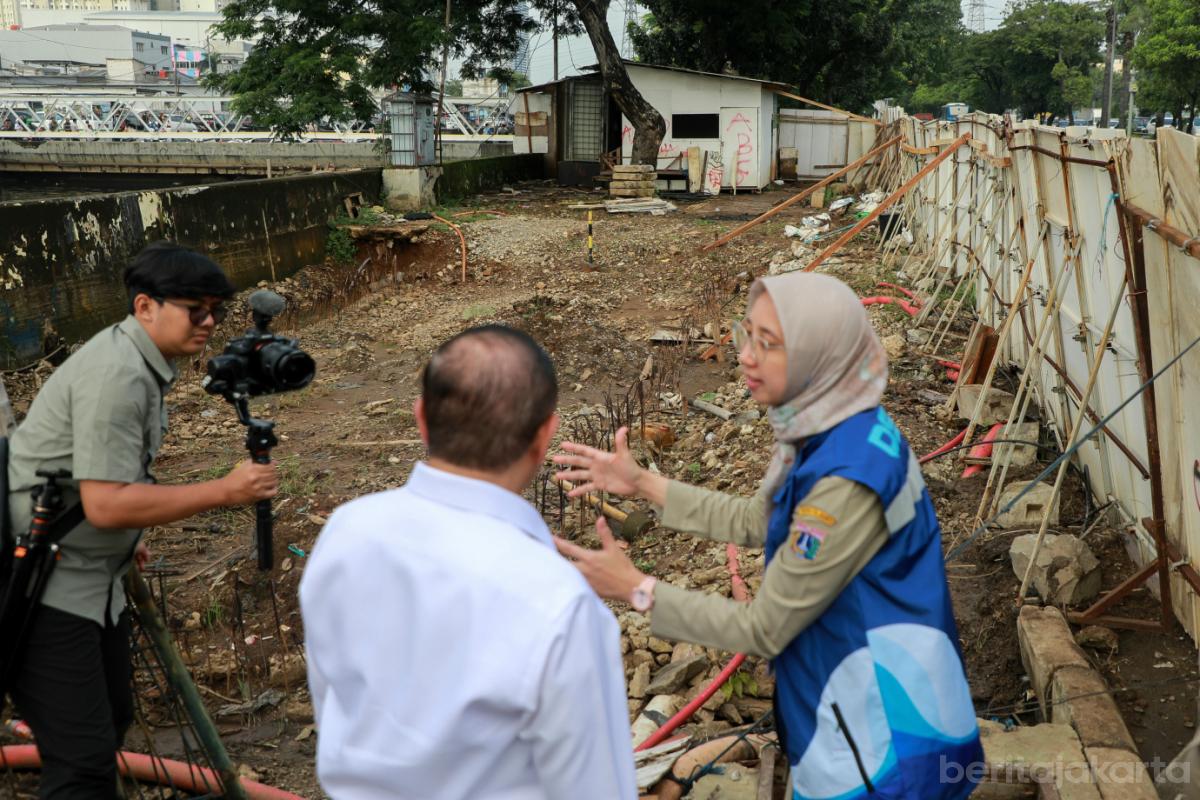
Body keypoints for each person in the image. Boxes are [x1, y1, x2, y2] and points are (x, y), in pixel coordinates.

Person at [554, 272, 983, 800]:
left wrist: (637, 589)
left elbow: (765, 629)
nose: (745, 356)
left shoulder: (845, 480)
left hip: (882, 745)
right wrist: (642, 482)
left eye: (769, 344)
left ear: (818, 354)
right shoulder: (831, 424)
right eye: (747, 335)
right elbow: (760, 521)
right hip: (848, 697)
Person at [300, 325, 636, 800]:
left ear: (421, 418)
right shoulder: (559, 602)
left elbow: (332, 701)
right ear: (544, 437)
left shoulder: (345, 532)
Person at [5, 241, 280, 799]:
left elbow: (105, 483)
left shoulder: (139, 361)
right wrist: (225, 490)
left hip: (92, 574)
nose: (208, 323)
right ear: (145, 306)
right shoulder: (119, 374)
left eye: (215, 311)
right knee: (83, 763)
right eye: (194, 310)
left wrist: (127, 539)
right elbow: (107, 504)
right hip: (46, 583)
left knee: (111, 717)